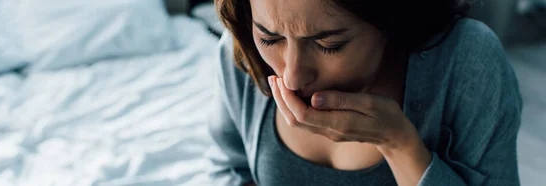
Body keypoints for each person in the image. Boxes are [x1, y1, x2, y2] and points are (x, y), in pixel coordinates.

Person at [206, 0, 523, 185]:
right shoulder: (242, 53)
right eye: (270, 39)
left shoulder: (469, 61)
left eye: (329, 45)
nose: (292, 75)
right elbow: (228, 170)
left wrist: (398, 144)